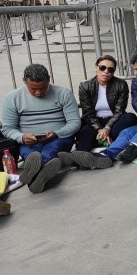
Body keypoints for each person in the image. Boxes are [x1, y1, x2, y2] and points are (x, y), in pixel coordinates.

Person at [1, 64, 80, 193]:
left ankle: (32, 175)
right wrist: (22, 137)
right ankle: (39, 177)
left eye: (42, 88)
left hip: (59, 137)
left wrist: (56, 133)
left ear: (49, 79)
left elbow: (75, 123)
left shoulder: (64, 93)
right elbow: (8, 128)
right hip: (29, 140)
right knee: (31, 154)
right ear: (24, 81)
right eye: (33, 89)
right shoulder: (12, 98)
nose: (38, 92)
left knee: (51, 149)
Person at [59, 56, 137, 166]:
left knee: (130, 118)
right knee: (85, 131)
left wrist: (107, 128)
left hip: (114, 121)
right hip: (94, 122)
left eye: (110, 69)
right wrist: (100, 129)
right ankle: (82, 157)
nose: (106, 72)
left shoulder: (121, 85)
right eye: (102, 68)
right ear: (96, 68)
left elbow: (119, 111)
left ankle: (92, 150)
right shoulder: (85, 85)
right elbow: (88, 112)